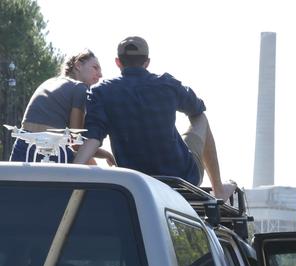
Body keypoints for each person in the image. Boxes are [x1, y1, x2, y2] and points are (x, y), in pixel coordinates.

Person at [73, 36, 235, 200]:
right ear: (147, 62)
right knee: (201, 117)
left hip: (136, 181)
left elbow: (92, 138)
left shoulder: (100, 92)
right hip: (182, 177)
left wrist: (72, 175)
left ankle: (218, 188)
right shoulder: (167, 84)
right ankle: (219, 190)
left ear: (118, 62)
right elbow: (198, 107)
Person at [10, 49, 115, 165]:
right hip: (51, 150)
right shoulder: (79, 88)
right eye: (95, 68)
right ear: (78, 65)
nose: (100, 75)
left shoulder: (49, 82)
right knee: (92, 168)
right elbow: (75, 143)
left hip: (22, 146)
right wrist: (107, 154)